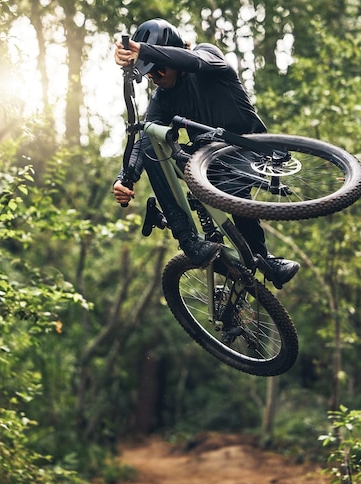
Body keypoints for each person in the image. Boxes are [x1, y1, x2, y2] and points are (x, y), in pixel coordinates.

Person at [113, 18, 299, 289]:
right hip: (207, 162)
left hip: (247, 150)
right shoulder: (163, 98)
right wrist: (125, 179)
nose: (155, 78)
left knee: (230, 185)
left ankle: (263, 259)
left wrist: (144, 51)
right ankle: (189, 241)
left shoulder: (207, 56)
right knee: (152, 138)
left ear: (174, 55)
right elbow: (143, 141)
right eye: (149, 74)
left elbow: (194, 61)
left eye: (158, 70)